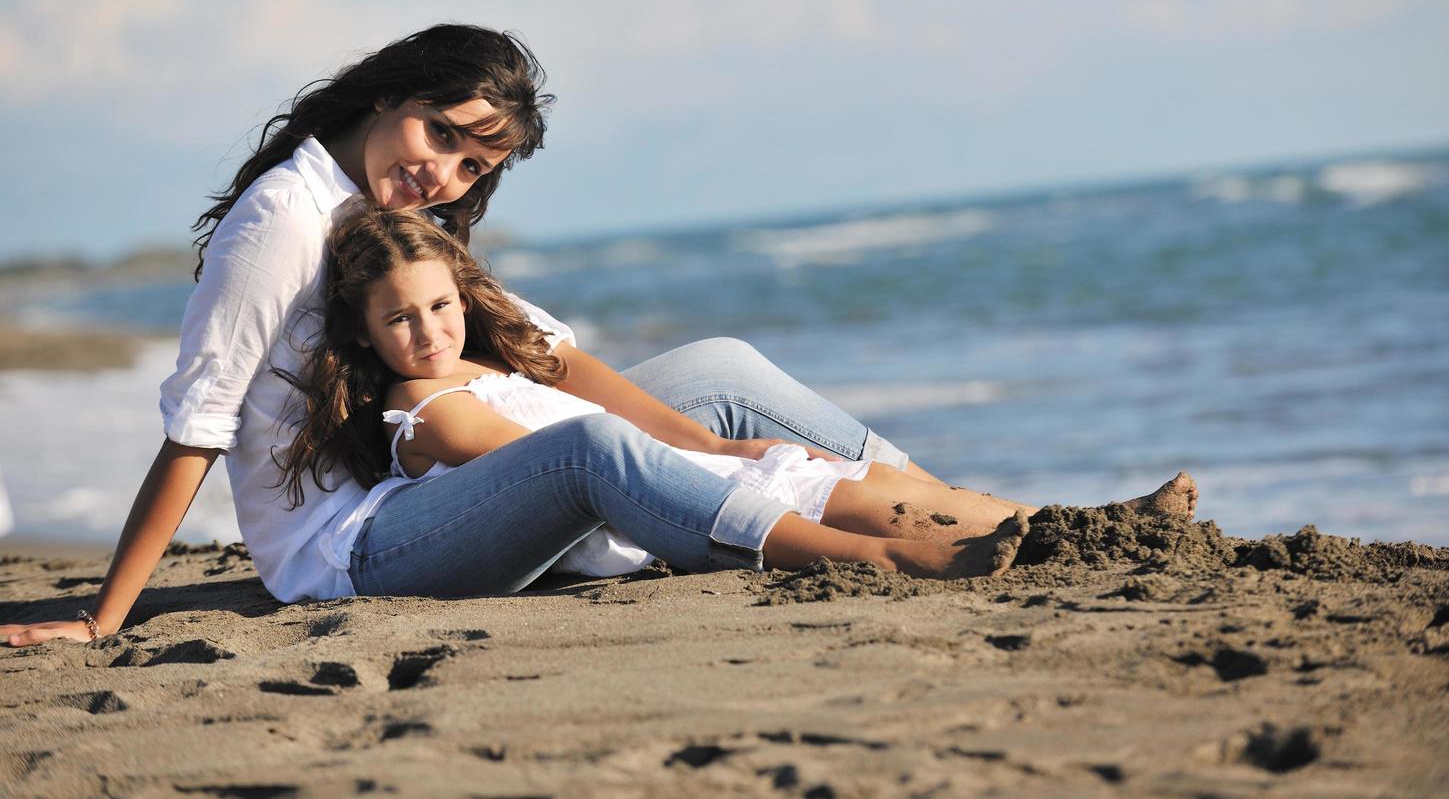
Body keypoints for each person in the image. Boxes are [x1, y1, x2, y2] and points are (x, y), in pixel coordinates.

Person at [1, 22, 1197, 647]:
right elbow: (200, 421)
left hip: (442, 476)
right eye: (441, 132)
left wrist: (699, 434)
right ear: (391, 90)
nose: (445, 170)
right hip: (350, 542)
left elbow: (545, 354)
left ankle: (1020, 523)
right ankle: (886, 557)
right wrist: (111, 614)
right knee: (587, 454)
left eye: (476, 162)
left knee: (721, 372)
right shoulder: (282, 220)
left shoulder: (397, 216)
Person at [275, 202, 1071, 594]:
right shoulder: (422, 405)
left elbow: (570, 378)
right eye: (400, 320)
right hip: (615, 500)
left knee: (850, 481)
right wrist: (710, 465)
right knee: (817, 499)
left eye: (440, 306)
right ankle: (884, 558)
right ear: (368, 333)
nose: (427, 331)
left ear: (462, 294)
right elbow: (552, 463)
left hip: (643, 474)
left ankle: (1060, 523)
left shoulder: (488, 356)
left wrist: (724, 446)